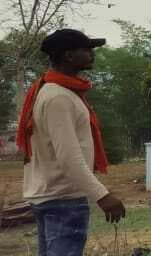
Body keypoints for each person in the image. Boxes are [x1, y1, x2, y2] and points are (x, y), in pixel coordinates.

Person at [18, 29, 126, 256]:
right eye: (86, 50)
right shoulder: (59, 97)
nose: (91, 54)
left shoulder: (51, 91)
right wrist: (103, 195)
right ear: (68, 55)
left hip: (53, 196)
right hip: (63, 200)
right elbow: (68, 157)